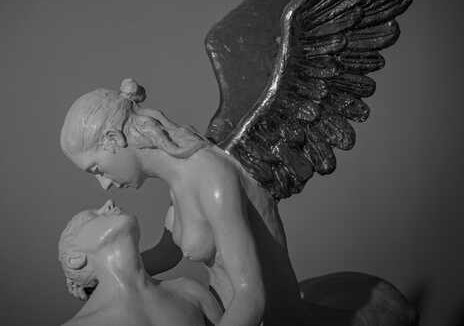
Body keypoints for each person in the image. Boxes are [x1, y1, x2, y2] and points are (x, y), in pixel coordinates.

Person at [60, 79, 418, 326]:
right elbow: (166, 255)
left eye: (96, 168)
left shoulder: (210, 177)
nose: (104, 184)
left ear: (113, 139)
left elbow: (251, 296)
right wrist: (93, 274)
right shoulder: (179, 182)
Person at [59, 199, 222, 326]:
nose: (109, 202)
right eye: (91, 217)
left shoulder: (190, 292)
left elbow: (166, 252)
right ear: (74, 259)